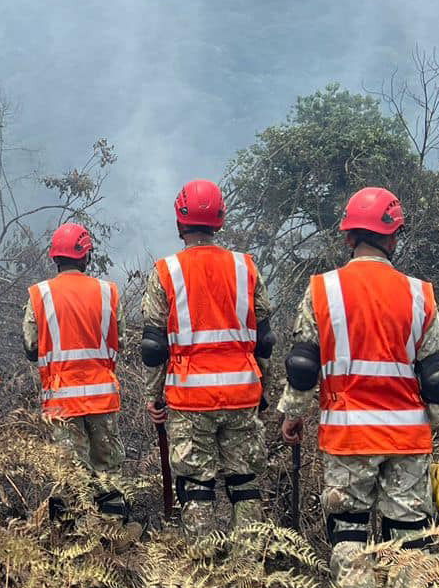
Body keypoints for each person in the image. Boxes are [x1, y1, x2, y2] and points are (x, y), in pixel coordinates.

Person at [277, 187, 439, 588]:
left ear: (349, 239)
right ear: (394, 237)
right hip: (407, 438)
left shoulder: (322, 289)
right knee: (410, 533)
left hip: (349, 437)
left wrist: (292, 413)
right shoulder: (419, 295)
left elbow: (303, 365)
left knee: (348, 529)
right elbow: (435, 375)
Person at [141, 180, 273, 540]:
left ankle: (202, 567)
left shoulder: (166, 271)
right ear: (220, 220)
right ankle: (248, 566)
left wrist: (154, 397)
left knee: (196, 485)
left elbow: (153, 347)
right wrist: (264, 389)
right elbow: (266, 341)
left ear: (179, 222)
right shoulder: (246, 267)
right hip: (243, 394)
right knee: (244, 482)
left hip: (189, 398)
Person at [24, 223, 131, 522]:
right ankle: (114, 537)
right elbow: (119, 341)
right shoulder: (107, 292)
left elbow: (31, 346)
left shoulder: (39, 294)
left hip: (61, 402)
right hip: (102, 398)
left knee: (68, 474)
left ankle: (70, 539)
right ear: (86, 256)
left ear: (55, 257)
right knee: (107, 471)